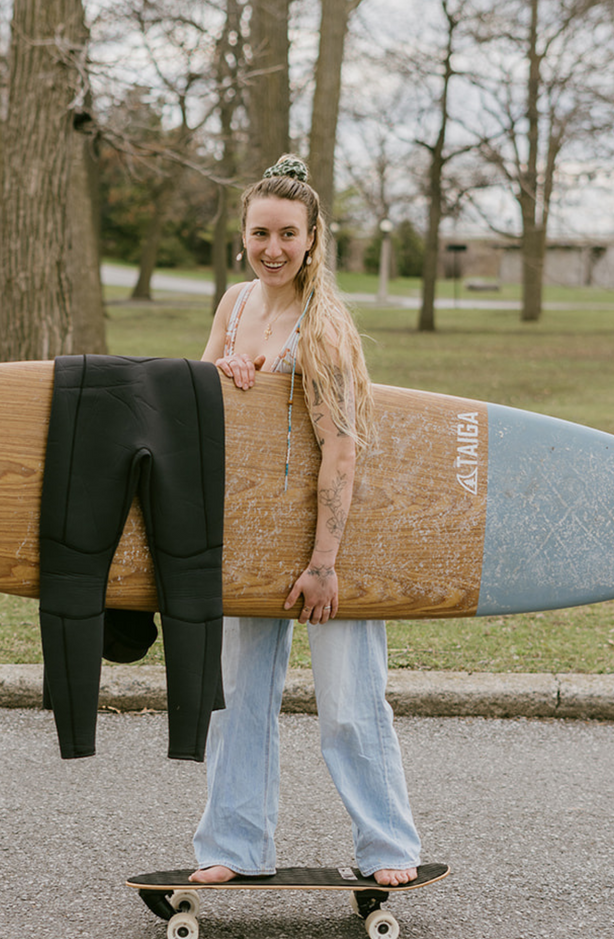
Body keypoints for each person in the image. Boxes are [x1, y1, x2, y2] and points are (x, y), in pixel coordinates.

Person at [190, 155, 422, 888]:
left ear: (314, 237)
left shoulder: (324, 331)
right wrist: (224, 378)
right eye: (261, 233)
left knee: (350, 704)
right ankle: (234, 844)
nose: (273, 249)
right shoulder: (233, 304)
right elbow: (194, 402)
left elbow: (343, 452)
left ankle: (388, 847)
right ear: (243, 236)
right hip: (252, 536)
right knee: (238, 700)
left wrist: (324, 563)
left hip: (334, 540)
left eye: (288, 234)